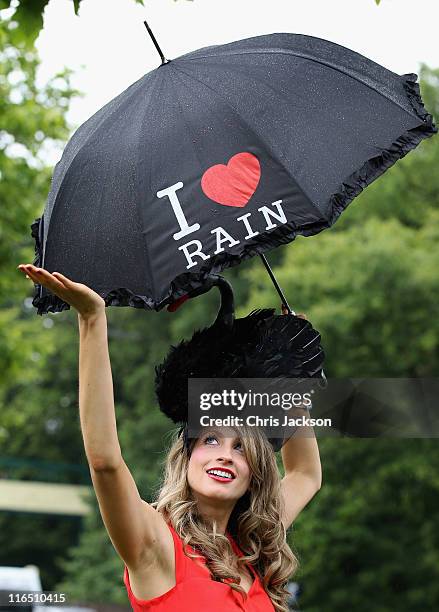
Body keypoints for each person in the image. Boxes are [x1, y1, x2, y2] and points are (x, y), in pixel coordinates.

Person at [17, 263, 323, 612]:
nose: (225, 454)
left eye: (241, 448)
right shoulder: (157, 544)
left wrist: (293, 372)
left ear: (255, 473)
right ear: (186, 456)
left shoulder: (254, 544)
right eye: (210, 440)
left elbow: (305, 475)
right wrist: (91, 319)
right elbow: (105, 463)